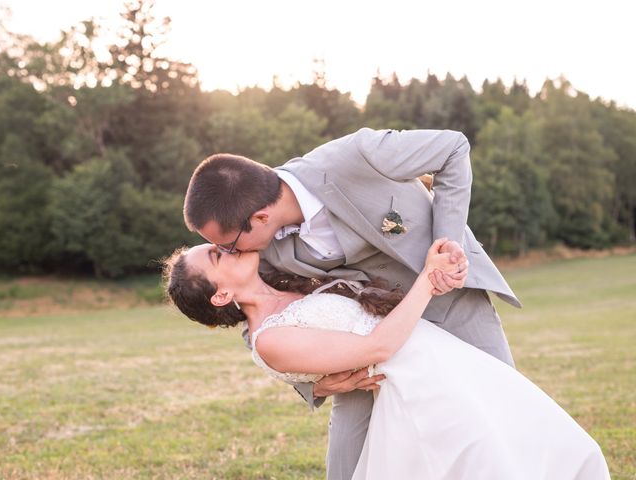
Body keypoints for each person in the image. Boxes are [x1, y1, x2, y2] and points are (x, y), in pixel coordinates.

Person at [182, 128, 520, 479]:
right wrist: (310, 384)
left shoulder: (356, 156)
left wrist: (446, 244)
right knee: (346, 464)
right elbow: (255, 321)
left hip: (453, 303)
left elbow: (452, 148)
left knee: (505, 417)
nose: (232, 253)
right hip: (363, 351)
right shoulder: (261, 249)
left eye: (231, 244)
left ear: (260, 219)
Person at [162, 240, 610, 480]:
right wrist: (428, 282)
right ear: (221, 294)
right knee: (488, 464)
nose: (228, 245)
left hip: (448, 363)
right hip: (418, 389)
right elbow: (376, 349)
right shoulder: (269, 341)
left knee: (549, 447)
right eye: (218, 255)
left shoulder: (287, 277)